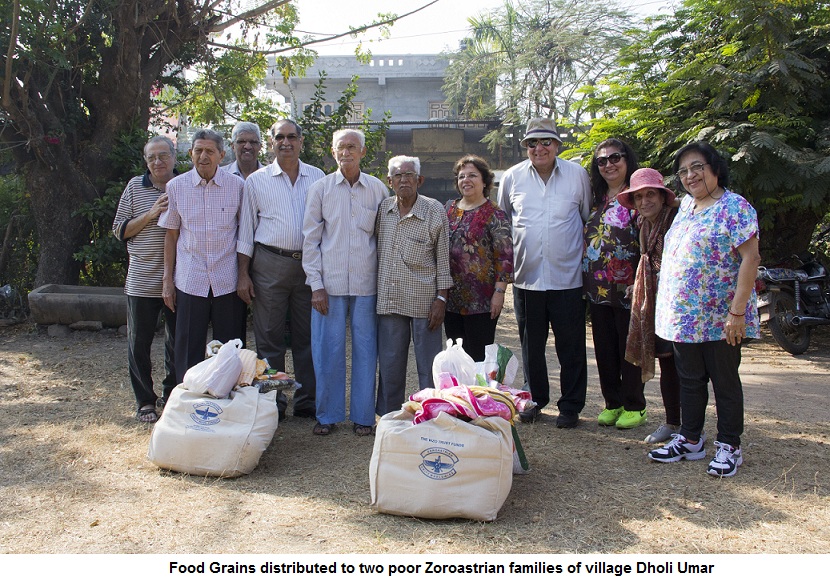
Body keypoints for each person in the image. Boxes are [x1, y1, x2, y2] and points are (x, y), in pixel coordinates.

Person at [648, 141, 761, 477]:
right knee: (690, 380)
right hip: (684, 318)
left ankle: (729, 446)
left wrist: (737, 313)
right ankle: (690, 438)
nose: (690, 175)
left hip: (720, 316)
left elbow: (751, 258)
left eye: (697, 166)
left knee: (724, 382)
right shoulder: (686, 206)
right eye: (683, 171)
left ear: (715, 168)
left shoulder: (734, 206)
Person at [497, 118, 592, 427]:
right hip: (527, 278)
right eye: (532, 143)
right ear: (525, 147)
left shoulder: (577, 175)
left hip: (568, 278)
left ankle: (571, 406)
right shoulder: (512, 177)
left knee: (571, 346)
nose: (539, 148)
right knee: (532, 347)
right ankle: (535, 400)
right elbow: (505, 222)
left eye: (546, 141)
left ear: (557, 145)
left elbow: (586, 217)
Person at [302, 129, 388, 436]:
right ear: (333, 151)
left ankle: (364, 417)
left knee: (367, 351)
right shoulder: (321, 189)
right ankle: (327, 415)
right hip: (330, 286)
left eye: (352, 146)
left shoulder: (378, 189)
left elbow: (385, 239)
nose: (346, 152)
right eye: (341, 147)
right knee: (328, 350)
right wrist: (316, 285)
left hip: (367, 286)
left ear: (363, 152)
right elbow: (310, 240)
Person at [237, 120, 324, 420]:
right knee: (269, 338)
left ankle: (307, 400)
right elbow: (246, 231)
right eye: (280, 137)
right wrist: (243, 274)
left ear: (301, 141)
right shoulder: (256, 181)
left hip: (309, 266)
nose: (286, 142)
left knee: (308, 337)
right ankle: (273, 401)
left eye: (291, 137)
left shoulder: (318, 176)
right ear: (271, 142)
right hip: (269, 265)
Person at [159, 128, 246, 382]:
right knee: (187, 347)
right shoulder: (176, 187)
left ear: (222, 155)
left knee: (230, 348)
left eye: (210, 151)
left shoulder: (237, 186)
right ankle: (188, 396)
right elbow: (171, 235)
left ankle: (227, 396)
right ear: (190, 153)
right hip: (190, 279)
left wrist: (244, 275)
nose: (203, 156)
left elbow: (244, 234)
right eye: (198, 151)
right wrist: (167, 280)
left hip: (227, 280)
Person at [375, 155, 452, 415]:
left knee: (429, 366)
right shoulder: (383, 210)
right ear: (390, 181)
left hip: (425, 302)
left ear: (420, 180)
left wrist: (441, 299)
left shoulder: (434, 210)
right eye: (398, 175)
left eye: (409, 175)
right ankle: (389, 417)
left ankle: (432, 415)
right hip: (391, 299)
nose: (403, 180)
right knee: (390, 364)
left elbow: (443, 259)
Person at [112, 136, 178, 422]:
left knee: (177, 343)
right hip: (141, 280)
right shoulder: (134, 187)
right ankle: (145, 402)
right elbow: (119, 230)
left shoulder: (185, 184)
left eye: (163, 156)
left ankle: (173, 395)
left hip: (179, 280)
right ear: (145, 161)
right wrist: (151, 214)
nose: (157, 162)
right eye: (151, 158)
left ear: (174, 157)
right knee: (139, 344)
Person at [583, 139, 647, 430]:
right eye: (602, 161)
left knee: (629, 348)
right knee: (605, 349)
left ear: (627, 159)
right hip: (597, 288)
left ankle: (635, 405)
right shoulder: (595, 198)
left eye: (615, 158)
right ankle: (613, 403)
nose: (609, 164)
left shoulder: (638, 196)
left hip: (630, 289)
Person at [616, 168, 682, 443]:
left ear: (663, 196)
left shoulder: (677, 220)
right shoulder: (644, 225)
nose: (645, 201)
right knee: (667, 364)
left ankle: (689, 428)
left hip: (681, 305)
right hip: (658, 303)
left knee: (685, 368)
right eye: (639, 197)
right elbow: (649, 264)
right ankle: (673, 423)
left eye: (651, 194)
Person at [444, 154, 513, 362]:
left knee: (478, 357)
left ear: (485, 181)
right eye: (461, 176)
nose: (466, 180)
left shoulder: (494, 213)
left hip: (481, 301)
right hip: (451, 299)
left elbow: (505, 256)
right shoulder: (448, 209)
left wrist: (499, 292)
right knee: (456, 357)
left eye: (472, 175)